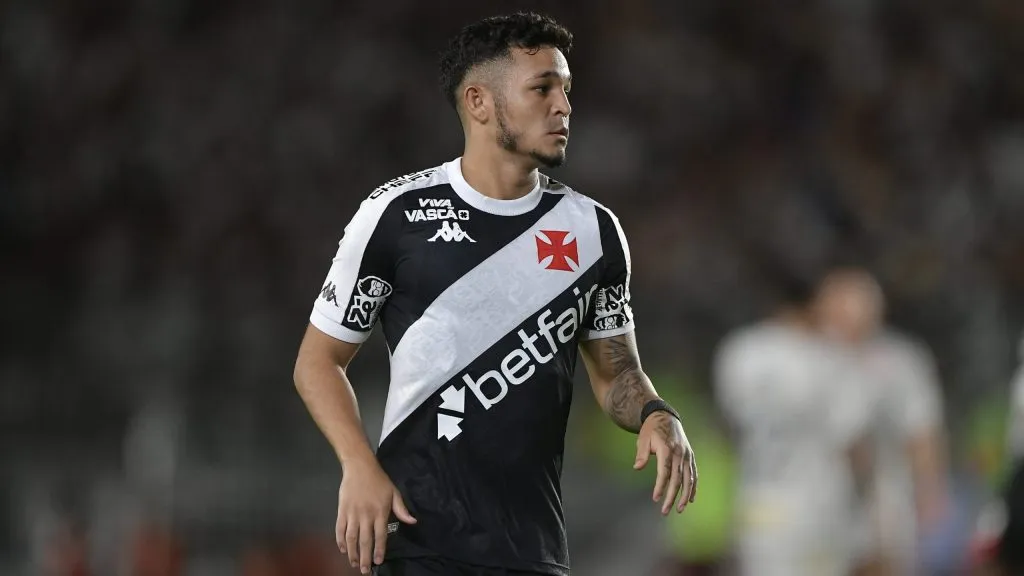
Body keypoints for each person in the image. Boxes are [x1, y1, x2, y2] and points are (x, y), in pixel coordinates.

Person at [292, 12, 697, 576]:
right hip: (419, 540)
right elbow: (318, 362)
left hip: (534, 550)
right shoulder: (396, 216)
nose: (564, 106)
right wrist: (358, 465)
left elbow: (615, 375)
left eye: (566, 89)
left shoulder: (592, 230)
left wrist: (654, 412)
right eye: (542, 88)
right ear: (479, 102)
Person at [713, 272, 872, 576]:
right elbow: (853, 443)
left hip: (760, 505)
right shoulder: (829, 356)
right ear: (813, 305)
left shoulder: (739, 351)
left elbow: (729, 425)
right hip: (818, 506)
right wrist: (865, 503)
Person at [814, 267, 950, 575]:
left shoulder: (901, 361)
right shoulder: (805, 358)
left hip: (884, 492)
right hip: (815, 493)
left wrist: (929, 490)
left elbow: (921, 430)